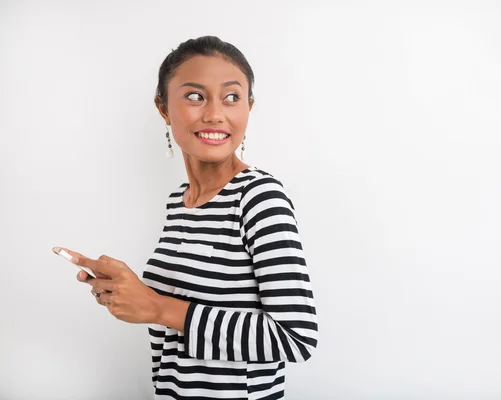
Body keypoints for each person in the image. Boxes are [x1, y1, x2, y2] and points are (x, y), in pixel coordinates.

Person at [66, 36, 318, 399]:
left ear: (249, 107)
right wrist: (126, 291)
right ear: (164, 108)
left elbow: (295, 337)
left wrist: (157, 307)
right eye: (195, 96)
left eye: (232, 97)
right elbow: (189, 302)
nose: (215, 113)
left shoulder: (259, 197)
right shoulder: (178, 203)